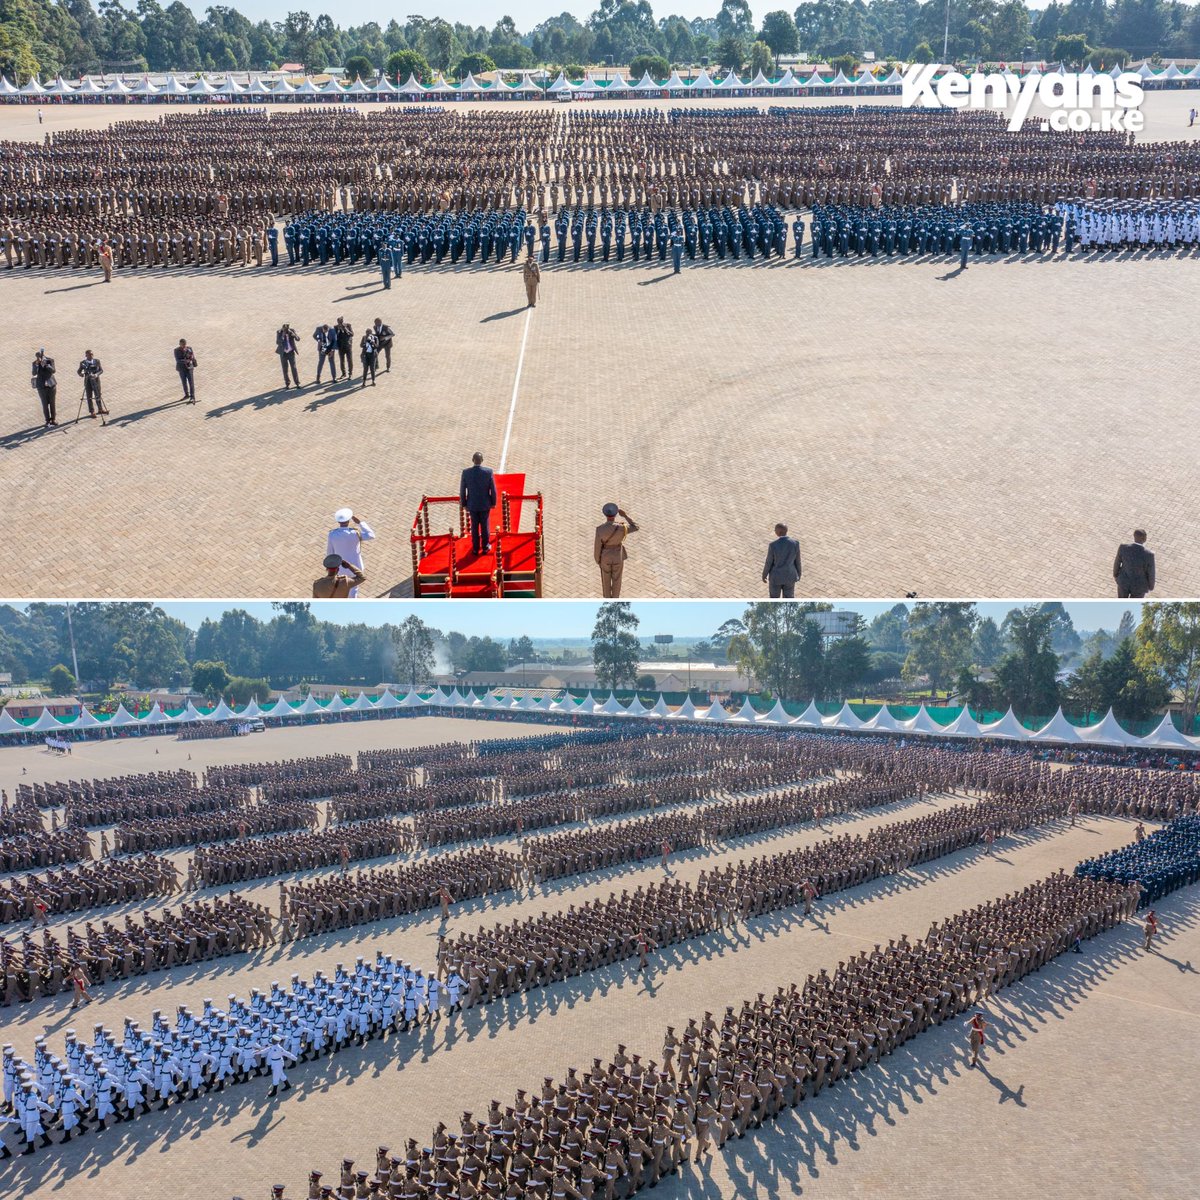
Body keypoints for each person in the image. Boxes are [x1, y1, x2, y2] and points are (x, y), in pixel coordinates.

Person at [326, 509, 375, 598]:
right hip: (355, 567)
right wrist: (360, 523)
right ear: (349, 521)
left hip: (340, 568)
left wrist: (330, 568)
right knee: (354, 589)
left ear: (338, 521)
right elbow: (371, 535)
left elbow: (330, 553)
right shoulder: (355, 533)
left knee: (341, 588)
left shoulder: (332, 534)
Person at [594, 503, 638, 598]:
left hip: (605, 557)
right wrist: (625, 516)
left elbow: (597, 547)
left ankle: (607, 598)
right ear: (615, 515)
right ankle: (615, 599)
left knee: (606, 581)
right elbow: (636, 527)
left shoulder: (600, 529)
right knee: (617, 580)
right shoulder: (622, 528)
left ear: (605, 515)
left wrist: (598, 560)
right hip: (618, 556)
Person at [460, 451, 498, 556]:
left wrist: (464, 504)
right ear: (482, 461)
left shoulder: (466, 473)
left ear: (473, 460)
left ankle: (475, 548)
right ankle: (485, 547)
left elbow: (463, 490)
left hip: (472, 504)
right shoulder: (488, 472)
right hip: (485, 504)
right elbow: (493, 489)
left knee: (474, 526)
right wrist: (493, 502)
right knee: (485, 526)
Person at [761, 524, 802, 598]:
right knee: (789, 598)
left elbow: (769, 562)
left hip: (776, 578)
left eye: (775, 530)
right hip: (790, 576)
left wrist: (764, 575)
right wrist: (799, 574)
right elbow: (798, 561)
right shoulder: (795, 543)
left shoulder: (773, 545)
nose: (774, 531)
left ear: (779, 532)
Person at [1113, 530, 1155, 598]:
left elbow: (1117, 562)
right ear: (1144, 539)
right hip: (1139, 587)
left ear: (1134, 537)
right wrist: (1151, 586)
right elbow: (1151, 573)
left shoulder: (1123, 547)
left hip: (1123, 582)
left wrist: (1115, 575)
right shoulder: (1149, 555)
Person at [31, 349, 58, 427]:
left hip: (51, 385)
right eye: (37, 357)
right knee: (44, 404)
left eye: (40, 357)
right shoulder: (35, 363)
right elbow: (34, 373)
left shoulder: (50, 360)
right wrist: (36, 365)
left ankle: (53, 419)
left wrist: (46, 365)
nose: (39, 358)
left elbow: (53, 371)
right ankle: (47, 420)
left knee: (52, 403)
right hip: (41, 386)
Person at [77, 350, 107, 417]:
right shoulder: (83, 363)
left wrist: (96, 375)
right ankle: (92, 411)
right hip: (88, 382)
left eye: (92, 354)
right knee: (89, 397)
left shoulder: (97, 361)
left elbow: (101, 370)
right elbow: (78, 371)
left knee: (98, 395)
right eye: (89, 355)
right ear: (86, 355)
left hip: (96, 381)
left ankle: (100, 409)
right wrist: (81, 374)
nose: (91, 356)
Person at [275, 324, 301, 388]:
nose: (286, 331)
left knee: (294, 368)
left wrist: (293, 334)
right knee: (285, 369)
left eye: (286, 329)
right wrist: (283, 336)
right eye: (284, 329)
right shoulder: (279, 332)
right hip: (283, 354)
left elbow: (298, 339)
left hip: (291, 353)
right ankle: (287, 383)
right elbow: (278, 342)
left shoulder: (291, 331)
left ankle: (297, 383)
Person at [173, 339, 197, 403]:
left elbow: (192, 356)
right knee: (184, 382)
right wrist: (186, 361)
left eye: (185, 344)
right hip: (181, 369)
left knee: (191, 383)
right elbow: (178, 360)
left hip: (189, 368)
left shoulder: (189, 348)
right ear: (179, 344)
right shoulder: (176, 350)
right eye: (182, 344)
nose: (184, 346)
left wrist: (192, 359)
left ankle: (192, 396)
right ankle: (186, 395)